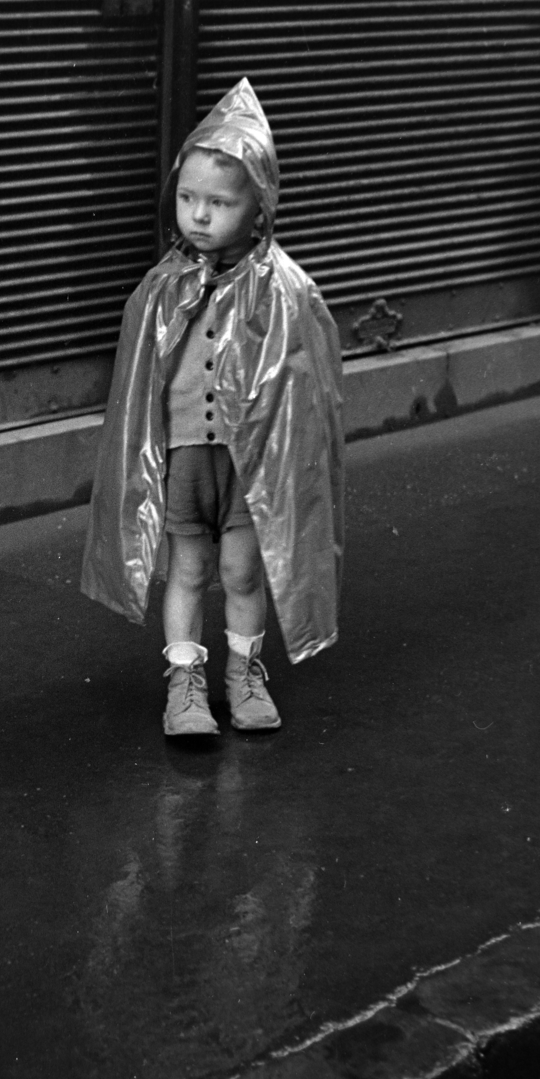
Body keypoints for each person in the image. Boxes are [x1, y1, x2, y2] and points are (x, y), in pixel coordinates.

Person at [80, 77, 344, 737]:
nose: (197, 215)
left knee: (242, 569)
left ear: (260, 206)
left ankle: (243, 677)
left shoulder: (286, 292)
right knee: (187, 569)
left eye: (219, 203)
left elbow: (306, 393)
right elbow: (137, 387)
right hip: (181, 462)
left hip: (248, 466)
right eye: (188, 198)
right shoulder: (159, 290)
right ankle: (184, 685)